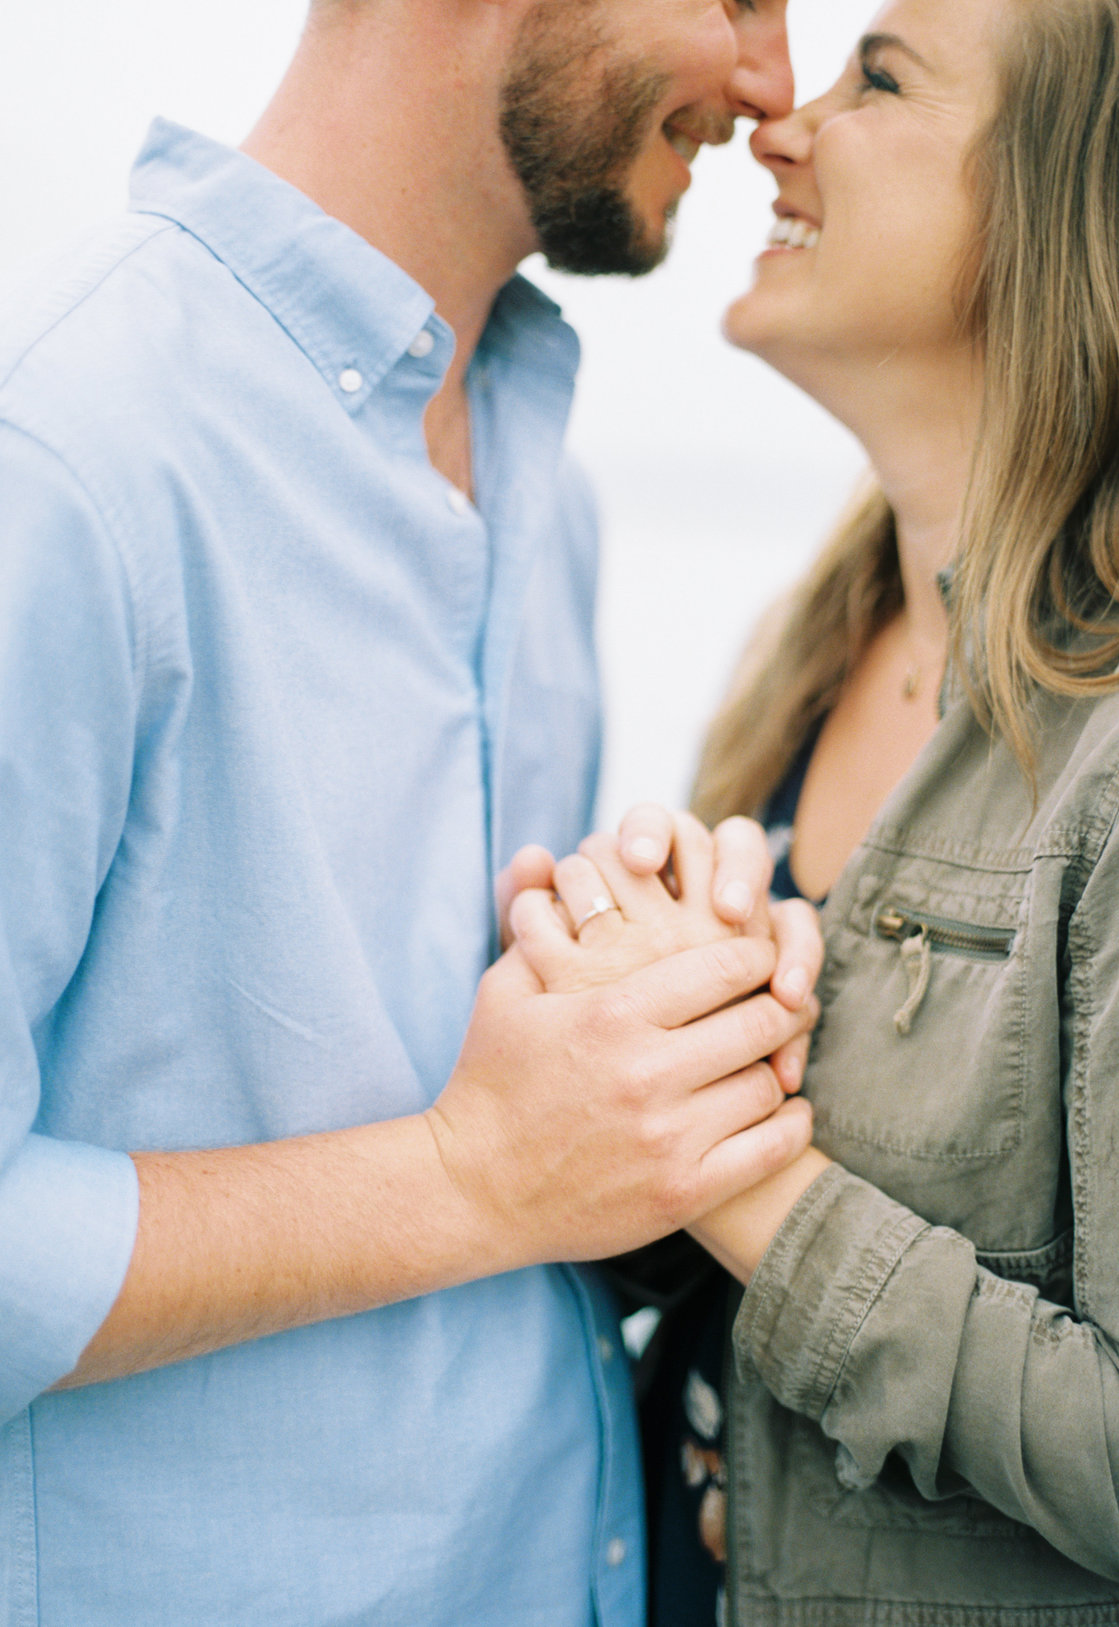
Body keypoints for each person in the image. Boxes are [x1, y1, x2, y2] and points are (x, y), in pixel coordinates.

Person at [0, 3, 822, 1623]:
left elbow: (488, 1102)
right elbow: (489, 1158)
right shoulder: (66, 454)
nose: (772, 84)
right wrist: (480, 1173)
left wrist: (660, 1025)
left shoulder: (539, 469)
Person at [509, 0, 1119, 1619]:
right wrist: (620, 1024)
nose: (779, 123)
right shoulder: (808, 656)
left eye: (878, 79)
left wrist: (734, 1175)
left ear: (1059, 205)